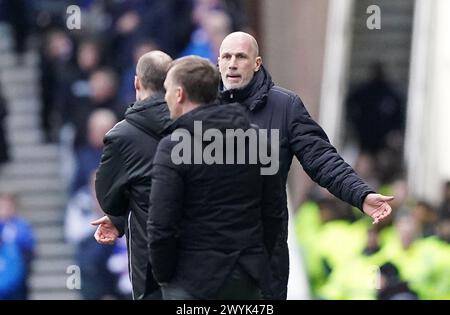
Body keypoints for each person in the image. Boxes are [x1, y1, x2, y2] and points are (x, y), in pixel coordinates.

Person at [218, 32, 394, 299]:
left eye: (240, 57)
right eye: (226, 57)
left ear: (257, 63)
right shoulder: (200, 105)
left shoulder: (285, 106)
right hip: (210, 253)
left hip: (263, 251)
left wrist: (361, 194)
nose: (232, 64)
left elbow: (322, 159)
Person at [147, 56, 284, 300]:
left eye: (167, 90)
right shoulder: (258, 141)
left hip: (192, 280)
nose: (165, 98)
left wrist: (165, 277)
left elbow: (161, 226)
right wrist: (255, 258)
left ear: (179, 94)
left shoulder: (172, 148)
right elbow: (274, 213)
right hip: (247, 276)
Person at [93, 50, 173, 300]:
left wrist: (118, 218)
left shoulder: (122, 136)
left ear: (137, 83)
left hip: (151, 262)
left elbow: (108, 198)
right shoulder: (197, 127)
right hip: (199, 259)